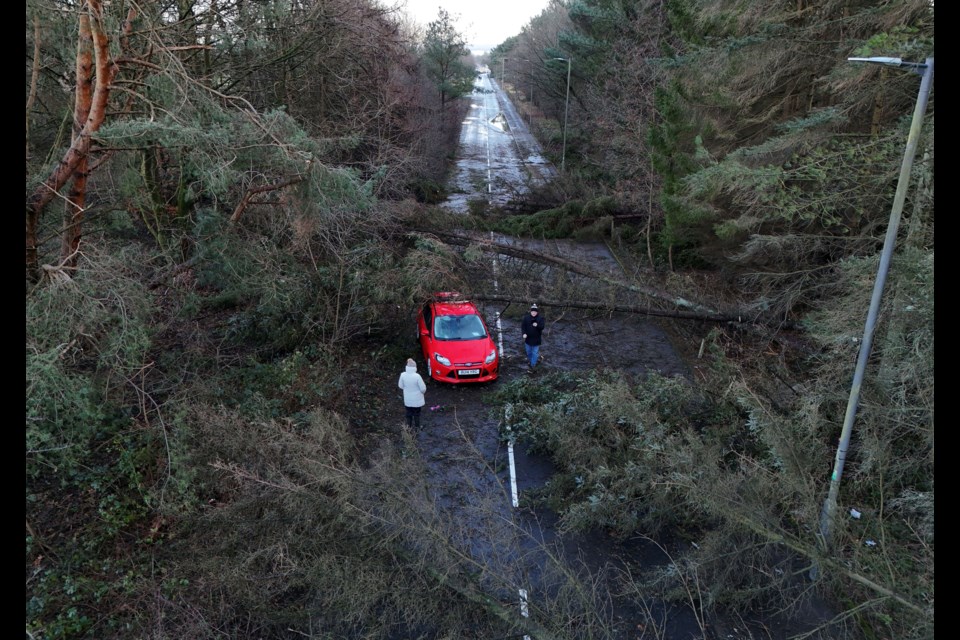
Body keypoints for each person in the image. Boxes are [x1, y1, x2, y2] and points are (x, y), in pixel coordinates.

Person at [398, 358, 427, 429]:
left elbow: (400, 386)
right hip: (417, 400)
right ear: (415, 367)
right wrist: (422, 392)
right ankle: (417, 427)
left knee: (408, 413)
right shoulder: (417, 376)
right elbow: (423, 388)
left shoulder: (403, 375)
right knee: (417, 414)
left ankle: (409, 427)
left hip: (408, 399)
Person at [521, 303, 544, 372]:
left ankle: (533, 365)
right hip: (528, 339)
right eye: (532, 311)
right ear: (530, 311)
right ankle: (531, 361)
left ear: (537, 312)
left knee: (535, 352)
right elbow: (523, 326)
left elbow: (542, 327)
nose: (534, 313)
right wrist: (524, 333)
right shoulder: (526, 318)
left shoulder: (540, 318)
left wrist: (537, 325)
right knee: (529, 352)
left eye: (535, 312)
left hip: (536, 339)